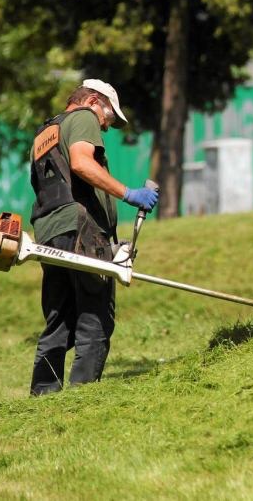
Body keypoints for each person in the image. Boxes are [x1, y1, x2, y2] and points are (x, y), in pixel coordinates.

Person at [27, 78, 158, 396]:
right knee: (95, 315)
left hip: (48, 232)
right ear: (94, 101)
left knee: (59, 318)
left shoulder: (46, 133)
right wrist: (129, 194)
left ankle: (43, 394)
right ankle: (83, 397)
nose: (107, 128)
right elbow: (82, 163)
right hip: (81, 230)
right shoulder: (83, 117)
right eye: (108, 118)